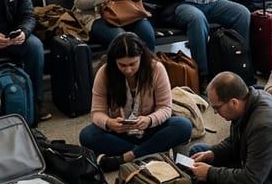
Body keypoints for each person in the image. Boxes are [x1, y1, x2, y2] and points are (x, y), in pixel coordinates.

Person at [80, 34, 192, 172]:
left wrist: (149, 120)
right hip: (121, 131)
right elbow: (97, 112)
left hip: (149, 128)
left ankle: (126, 157)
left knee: (183, 125)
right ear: (114, 61)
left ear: (141, 57)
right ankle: (149, 153)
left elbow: (165, 108)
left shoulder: (156, 69)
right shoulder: (105, 72)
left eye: (133, 64)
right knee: (87, 135)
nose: (128, 70)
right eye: (122, 65)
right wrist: (109, 123)